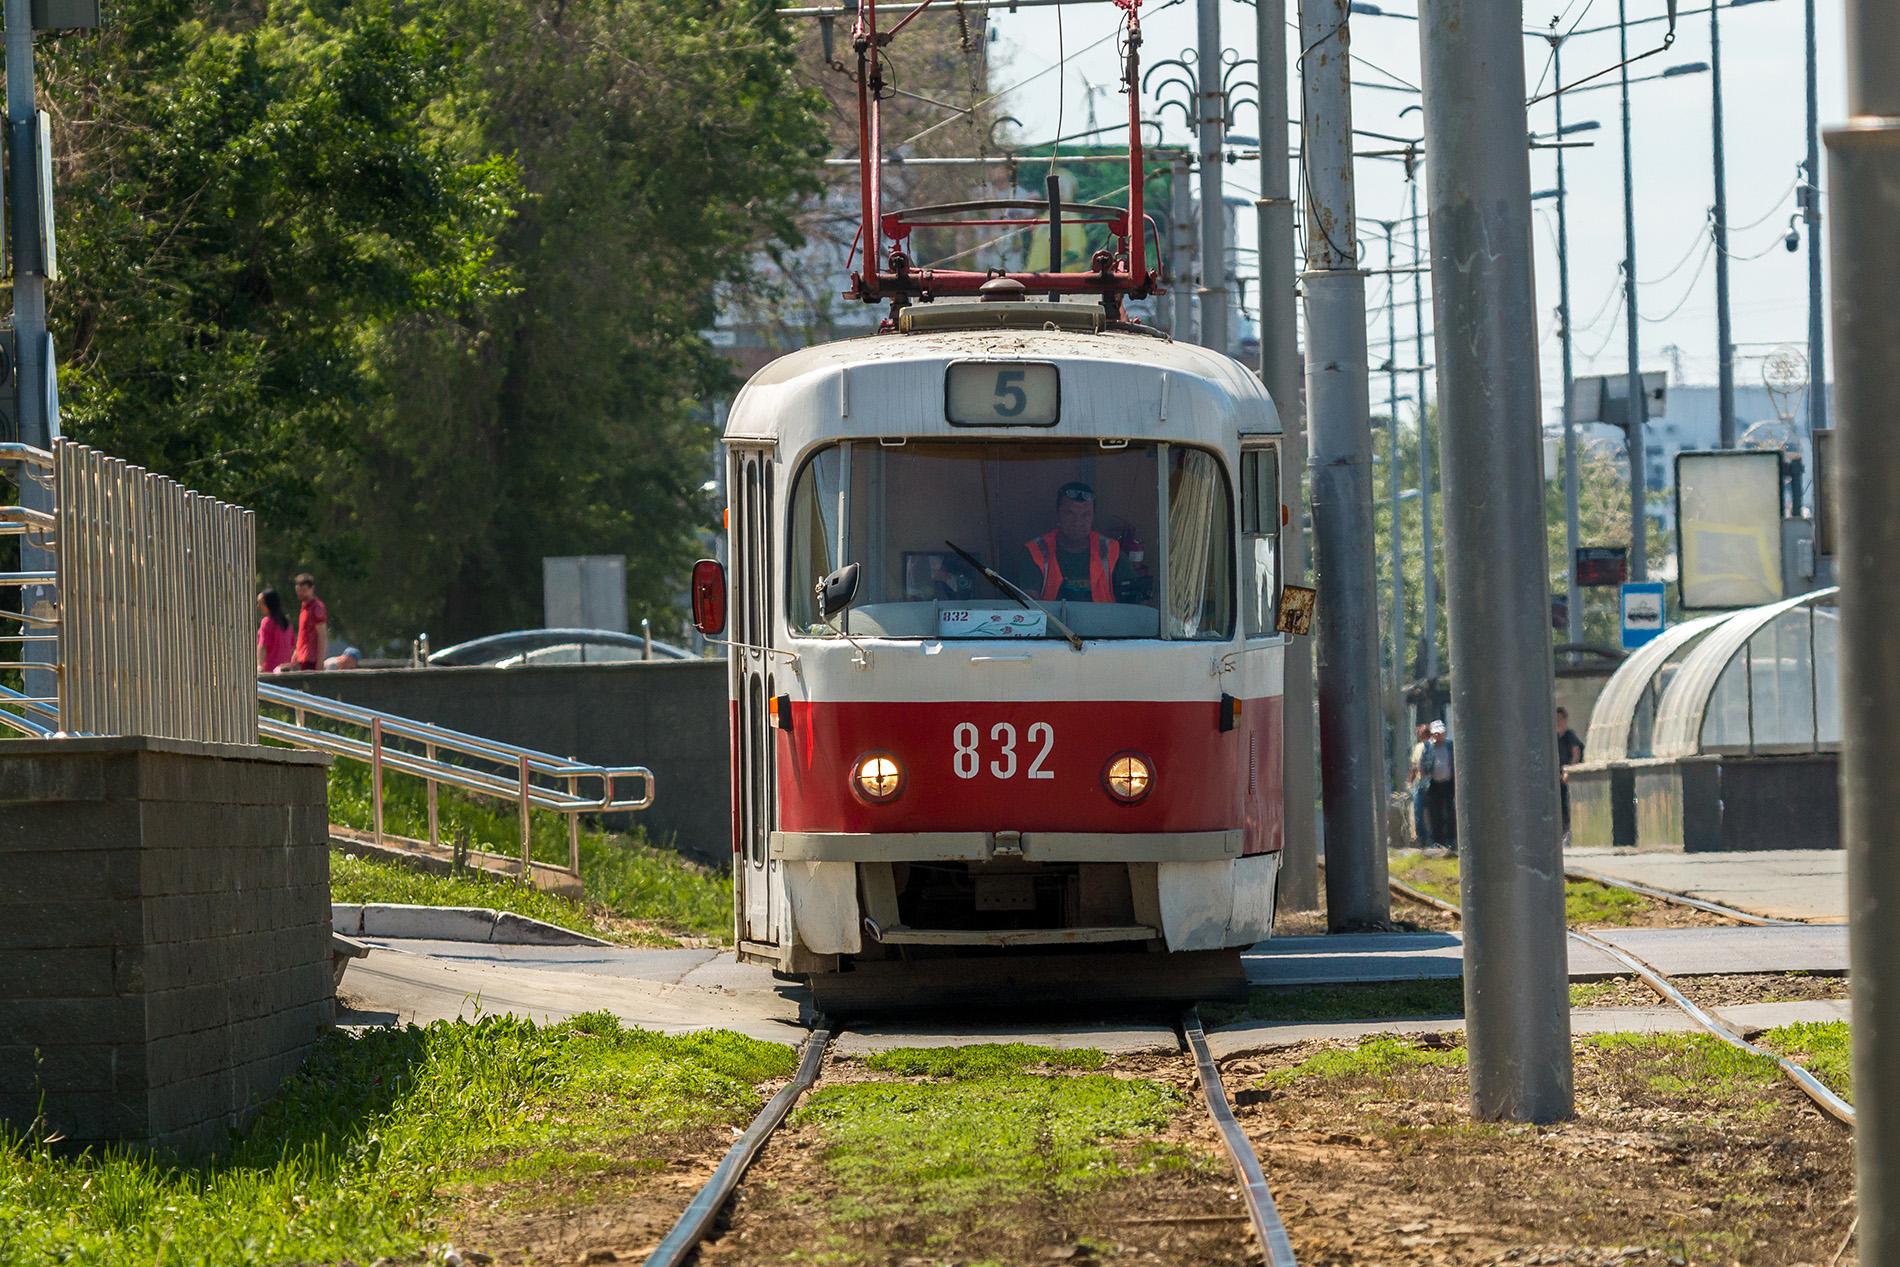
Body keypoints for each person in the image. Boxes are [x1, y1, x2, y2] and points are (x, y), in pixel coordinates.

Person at [1009, 481, 1137, 604]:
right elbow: (1029, 602)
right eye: (1070, 514)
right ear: (1058, 515)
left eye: (1086, 515)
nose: (1078, 522)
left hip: (1104, 625)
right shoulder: (1036, 551)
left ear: (1093, 518)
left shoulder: (1111, 550)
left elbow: (1135, 603)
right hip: (1052, 625)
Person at [1424, 719, 1456, 851]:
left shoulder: (1450, 745)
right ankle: (1437, 841)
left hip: (1448, 784)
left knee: (1449, 812)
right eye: (1436, 734)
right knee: (1435, 813)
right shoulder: (1428, 747)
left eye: (1440, 733)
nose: (1438, 736)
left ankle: (1450, 840)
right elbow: (1424, 764)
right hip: (1434, 784)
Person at [1556, 706, 1585, 843]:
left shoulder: (1569, 735)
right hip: (1556, 778)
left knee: (1566, 806)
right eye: (1556, 719)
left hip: (1566, 776)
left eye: (1560, 718)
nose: (1558, 721)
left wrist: (1569, 770)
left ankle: (1567, 833)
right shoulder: (1553, 737)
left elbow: (1576, 752)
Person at [292, 572, 328, 671]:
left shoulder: (317, 607)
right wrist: (296, 653)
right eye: (298, 590)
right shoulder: (304, 608)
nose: (301, 593)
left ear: (312, 589)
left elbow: (322, 636)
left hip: (311, 660)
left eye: (304, 590)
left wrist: (319, 663)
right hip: (302, 659)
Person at [255, 589, 294, 674]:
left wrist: (259, 666)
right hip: (284, 671)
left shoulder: (267, 622)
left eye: (261, 603)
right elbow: (291, 647)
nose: (258, 606)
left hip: (269, 671)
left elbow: (263, 646)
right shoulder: (287, 623)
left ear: (269, 604)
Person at [1407, 722, 1431, 845]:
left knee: (1421, 811)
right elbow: (1415, 766)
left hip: (1425, 784)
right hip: (1426, 783)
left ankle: (1424, 838)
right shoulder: (1423, 746)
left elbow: (1415, 766)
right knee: (1423, 811)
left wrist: (1410, 781)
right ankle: (1425, 838)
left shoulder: (1425, 747)